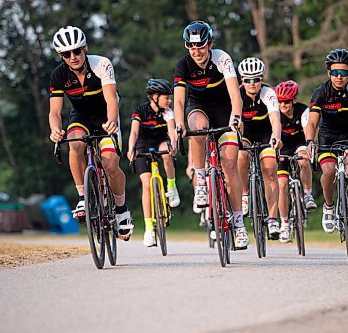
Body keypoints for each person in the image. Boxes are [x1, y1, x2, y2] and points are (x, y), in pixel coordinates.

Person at [48, 26, 134, 240]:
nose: (73, 57)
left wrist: (112, 121)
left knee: (111, 163)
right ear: (61, 56)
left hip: (105, 116)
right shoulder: (58, 75)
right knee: (75, 143)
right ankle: (82, 196)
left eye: (77, 51)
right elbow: (55, 112)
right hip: (80, 117)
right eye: (67, 54)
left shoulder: (101, 64)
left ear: (85, 49)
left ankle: (121, 210)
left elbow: (111, 99)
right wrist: (55, 130)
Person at [173, 20, 249, 249]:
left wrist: (236, 117)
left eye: (201, 45)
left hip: (224, 109)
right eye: (191, 46)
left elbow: (236, 95)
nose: (196, 51)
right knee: (197, 126)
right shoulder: (183, 65)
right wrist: (178, 123)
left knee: (230, 164)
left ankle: (238, 223)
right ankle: (202, 181)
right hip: (199, 107)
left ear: (210, 44)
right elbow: (178, 99)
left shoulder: (222, 59)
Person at [305, 48, 348, 234]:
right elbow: (312, 122)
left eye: (343, 72)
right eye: (335, 72)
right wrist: (310, 141)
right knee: (328, 171)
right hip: (327, 137)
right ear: (329, 72)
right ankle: (328, 207)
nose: (339, 77)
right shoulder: (320, 93)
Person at [127, 79, 180, 247]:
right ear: (154, 97)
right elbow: (134, 132)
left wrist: (174, 144)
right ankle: (149, 228)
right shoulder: (140, 111)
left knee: (167, 154)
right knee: (147, 185)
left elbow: (171, 131)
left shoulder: (167, 112)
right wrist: (131, 149)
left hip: (160, 141)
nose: (169, 100)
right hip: (143, 144)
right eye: (166, 97)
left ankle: (171, 188)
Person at [237, 57, 282, 240]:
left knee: (270, 169)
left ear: (261, 79)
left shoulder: (268, 93)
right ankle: (245, 193)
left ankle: (272, 219)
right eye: (247, 80)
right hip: (245, 133)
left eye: (256, 79)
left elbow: (275, 119)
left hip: (265, 133)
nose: (252, 83)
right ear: (242, 80)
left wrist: (277, 137)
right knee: (241, 156)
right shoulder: (237, 94)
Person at [274, 80, 316, 243]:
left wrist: (308, 148)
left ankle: (307, 194)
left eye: (286, 101)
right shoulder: (275, 113)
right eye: (280, 101)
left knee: (304, 160)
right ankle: (284, 223)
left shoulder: (303, 111)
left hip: (299, 145)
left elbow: (308, 132)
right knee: (282, 184)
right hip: (282, 148)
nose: (283, 104)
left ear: (294, 100)